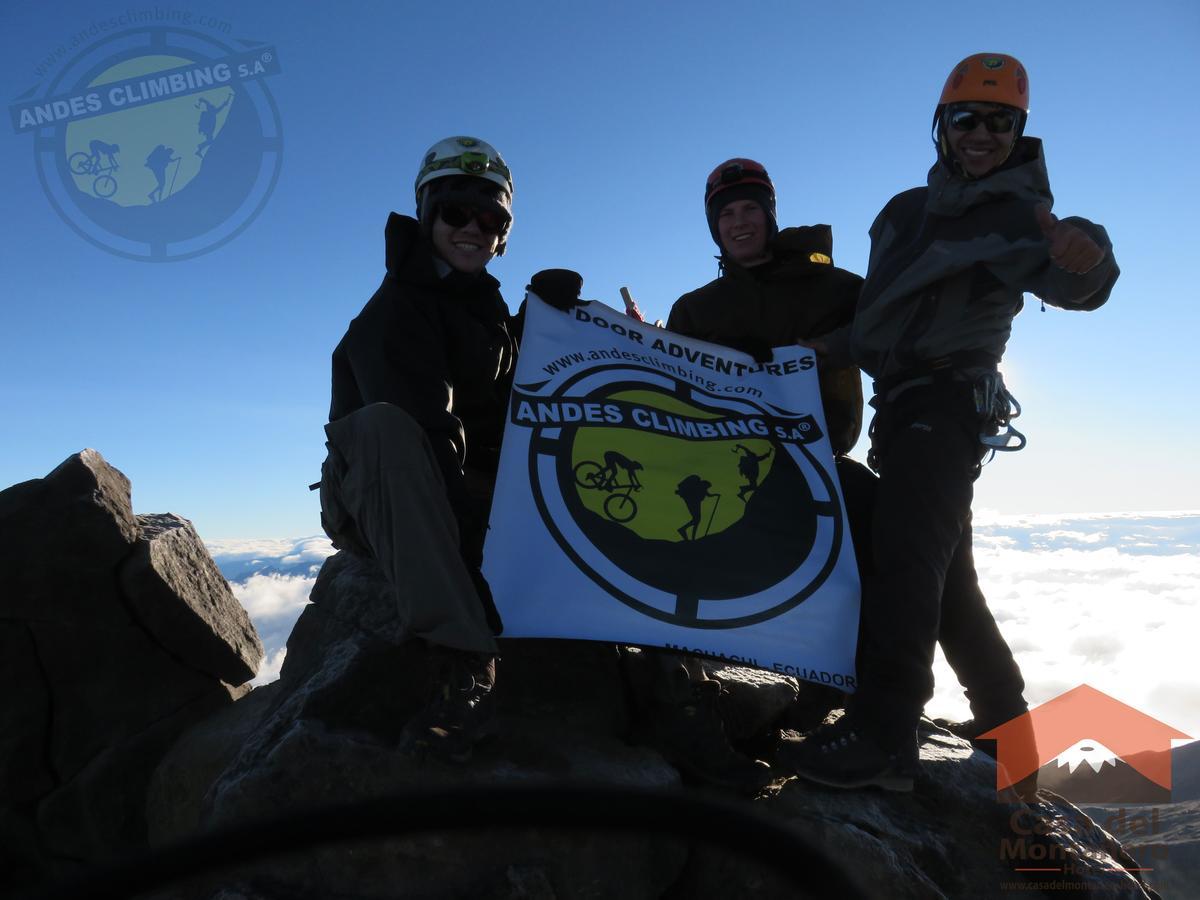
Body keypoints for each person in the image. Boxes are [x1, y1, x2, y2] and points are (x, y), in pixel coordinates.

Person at [778, 54, 1119, 794]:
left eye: (1002, 122)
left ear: (1019, 133)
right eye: (968, 118)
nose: (983, 134)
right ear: (942, 124)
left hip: (947, 406)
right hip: (899, 409)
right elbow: (877, 319)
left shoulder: (1020, 212)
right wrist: (828, 350)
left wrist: (1088, 254)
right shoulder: (902, 212)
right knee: (946, 578)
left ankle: (884, 732)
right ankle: (1010, 729)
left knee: (905, 559)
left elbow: (1075, 278)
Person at [628, 159, 870, 792]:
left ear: (770, 214)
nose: (739, 223)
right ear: (714, 226)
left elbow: (883, 323)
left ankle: (848, 707)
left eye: (749, 210)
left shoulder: (832, 286)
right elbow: (672, 389)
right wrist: (641, 347)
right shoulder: (697, 306)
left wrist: (815, 352)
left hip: (817, 463)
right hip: (725, 466)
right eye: (726, 213)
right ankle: (689, 714)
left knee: (879, 527)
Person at [318, 136, 522, 763]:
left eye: (490, 218)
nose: (472, 229)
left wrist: (548, 325)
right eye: (456, 212)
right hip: (383, 486)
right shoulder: (393, 314)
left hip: (464, 475)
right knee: (383, 425)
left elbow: (508, 408)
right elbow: (427, 438)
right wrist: (479, 571)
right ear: (429, 215)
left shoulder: (483, 307)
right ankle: (466, 662)